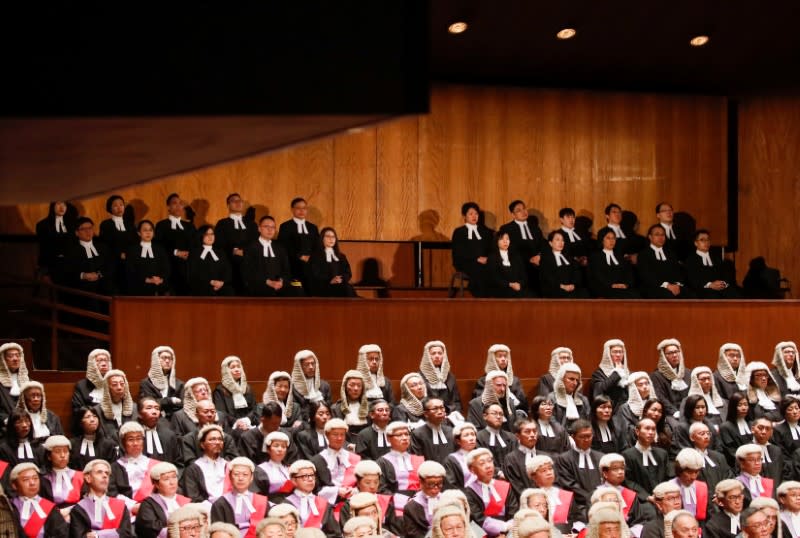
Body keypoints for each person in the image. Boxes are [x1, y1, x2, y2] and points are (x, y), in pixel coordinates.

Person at [70, 459, 133, 537]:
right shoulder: (79, 509)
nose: (105, 476)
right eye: (99, 472)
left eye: (107, 473)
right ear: (88, 478)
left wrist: (97, 535)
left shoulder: (121, 505)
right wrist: (114, 532)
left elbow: (126, 533)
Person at [554, 420, 603, 521]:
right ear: (573, 437)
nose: (586, 440)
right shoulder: (564, 459)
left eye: (589, 436)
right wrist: (592, 498)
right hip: (577, 506)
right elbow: (569, 485)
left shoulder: (601, 457)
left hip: (602, 502)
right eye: (582, 437)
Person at [244, 216, 304, 297]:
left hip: (279, 283)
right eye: (266, 227)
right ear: (259, 229)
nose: (270, 230)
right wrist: (268, 282)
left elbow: (286, 269)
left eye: (273, 227)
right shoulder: (251, 247)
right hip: (260, 283)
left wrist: (281, 281)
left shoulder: (280, 248)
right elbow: (249, 270)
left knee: (298, 286)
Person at [308, 418, 361, 509]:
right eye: (335, 435)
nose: (339, 438)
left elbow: (361, 482)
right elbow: (315, 489)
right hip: (327, 506)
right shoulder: (316, 461)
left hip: (353, 502)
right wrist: (337, 491)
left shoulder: (355, 458)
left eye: (342, 435)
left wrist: (355, 490)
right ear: (327, 435)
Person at [109, 421, 160, 512]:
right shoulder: (114, 468)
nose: (135, 443)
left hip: (154, 510)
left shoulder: (156, 465)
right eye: (131, 439)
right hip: (126, 512)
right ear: (123, 443)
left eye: (139, 438)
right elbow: (112, 493)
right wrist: (132, 506)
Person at [8, 462, 69, 538]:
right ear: (14, 485)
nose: (32, 483)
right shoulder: (9, 507)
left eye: (35, 478)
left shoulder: (49, 507)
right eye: (26, 480)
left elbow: (62, 533)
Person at [210, 457, 268, 535]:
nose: (240, 478)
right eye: (236, 474)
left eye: (245, 474)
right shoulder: (220, 504)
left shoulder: (261, 501)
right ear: (230, 477)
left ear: (251, 478)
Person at [58, 216, 115, 297]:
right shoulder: (71, 251)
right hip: (83, 290)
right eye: (83, 229)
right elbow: (67, 272)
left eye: (90, 228)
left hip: (105, 288)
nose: (87, 231)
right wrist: (83, 275)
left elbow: (111, 266)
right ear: (77, 233)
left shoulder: (103, 247)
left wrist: (99, 274)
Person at [214, 192, 259, 294]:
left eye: (240, 201)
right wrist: (234, 251)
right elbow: (218, 244)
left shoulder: (251, 224)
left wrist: (246, 252)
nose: (238, 203)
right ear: (228, 205)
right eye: (234, 201)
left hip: (249, 264)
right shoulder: (222, 223)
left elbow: (256, 241)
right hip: (230, 264)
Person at [499, 199, 546, 296]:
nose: (523, 211)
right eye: (519, 210)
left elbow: (543, 244)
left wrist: (539, 256)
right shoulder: (507, 228)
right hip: (519, 261)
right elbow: (509, 249)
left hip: (538, 261)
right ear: (513, 214)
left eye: (524, 208)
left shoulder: (535, 227)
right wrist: (529, 259)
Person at [377, 422, 425, 513]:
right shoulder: (382, 462)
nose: (404, 438)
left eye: (406, 434)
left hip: (419, 504)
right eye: (399, 435)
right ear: (388, 439)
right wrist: (405, 501)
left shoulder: (418, 458)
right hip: (394, 507)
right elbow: (381, 489)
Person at [621, 418, 672, 506]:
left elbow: (668, 477)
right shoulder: (627, 455)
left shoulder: (662, 454)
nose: (651, 432)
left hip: (663, 499)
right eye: (647, 428)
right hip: (640, 501)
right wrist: (647, 497)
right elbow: (628, 481)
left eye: (653, 429)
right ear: (637, 431)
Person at [283, 460, 340, 537]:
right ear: (293, 480)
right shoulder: (285, 504)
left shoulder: (324, 504)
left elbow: (334, 534)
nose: (310, 479)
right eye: (304, 476)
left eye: (312, 475)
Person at [135, 462, 192, 538]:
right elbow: (148, 528)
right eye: (166, 479)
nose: (172, 482)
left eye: (174, 477)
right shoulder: (148, 504)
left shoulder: (186, 501)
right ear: (156, 484)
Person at [636, 224, 694, 298]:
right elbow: (646, 276)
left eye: (663, 235)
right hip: (653, 287)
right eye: (657, 234)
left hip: (674, 285)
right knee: (667, 295)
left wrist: (677, 284)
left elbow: (678, 272)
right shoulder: (643, 254)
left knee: (691, 295)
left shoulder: (671, 253)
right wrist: (667, 285)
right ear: (650, 237)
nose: (661, 237)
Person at [154, 193, 196, 295]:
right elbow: (158, 247)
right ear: (168, 207)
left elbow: (196, 245)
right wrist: (176, 252)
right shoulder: (162, 225)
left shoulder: (190, 226)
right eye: (174, 203)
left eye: (180, 204)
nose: (178, 206)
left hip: (187, 269)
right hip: (169, 268)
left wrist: (190, 254)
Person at [451, 201, 494, 297]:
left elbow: (491, 249)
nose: (474, 216)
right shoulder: (459, 232)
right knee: (479, 268)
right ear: (464, 216)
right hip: (465, 261)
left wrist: (488, 258)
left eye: (476, 214)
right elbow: (459, 252)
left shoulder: (486, 232)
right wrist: (476, 258)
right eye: (470, 214)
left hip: (484, 261)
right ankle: (481, 297)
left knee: (493, 267)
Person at [181, 424, 232, 503]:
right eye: (212, 439)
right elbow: (192, 497)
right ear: (202, 445)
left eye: (220, 439)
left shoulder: (230, 466)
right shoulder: (193, 469)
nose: (217, 442)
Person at [278, 197, 321, 291]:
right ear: (292, 209)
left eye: (304, 208)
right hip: (292, 263)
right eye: (298, 208)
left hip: (311, 264)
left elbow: (317, 246)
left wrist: (311, 257)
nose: (302, 211)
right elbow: (284, 247)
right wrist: (300, 256)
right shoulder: (285, 226)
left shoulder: (312, 228)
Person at [685, 229, 742, 298]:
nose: (706, 242)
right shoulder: (691, 260)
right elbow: (692, 279)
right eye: (702, 240)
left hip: (721, 287)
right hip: (702, 289)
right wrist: (710, 285)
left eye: (708, 239)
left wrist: (723, 283)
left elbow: (725, 274)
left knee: (735, 294)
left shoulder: (716, 258)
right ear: (695, 243)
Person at [98, 195, 137, 293]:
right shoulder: (106, 224)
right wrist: (119, 254)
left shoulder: (130, 224)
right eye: (115, 205)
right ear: (110, 208)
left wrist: (129, 254)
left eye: (121, 204)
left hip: (129, 262)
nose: (119, 208)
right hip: (113, 263)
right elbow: (105, 244)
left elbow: (135, 242)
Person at [588, 227, 639, 298]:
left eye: (613, 238)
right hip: (604, 287)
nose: (612, 241)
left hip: (621, 287)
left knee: (635, 294)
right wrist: (612, 285)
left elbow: (628, 273)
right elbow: (598, 275)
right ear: (602, 240)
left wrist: (626, 284)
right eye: (608, 238)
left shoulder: (620, 257)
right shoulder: (595, 257)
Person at [526, 455, 575, 528]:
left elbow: (576, 519)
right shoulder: (529, 496)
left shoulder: (566, 495)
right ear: (534, 476)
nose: (549, 473)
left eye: (550, 469)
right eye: (544, 470)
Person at [539, 230, 590, 298]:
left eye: (562, 240)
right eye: (557, 240)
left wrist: (573, 285)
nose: (561, 243)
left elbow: (576, 273)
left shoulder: (569, 258)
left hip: (571, 287)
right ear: (550, 243)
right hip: (555, 288)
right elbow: (548, 278)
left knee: (584, 293)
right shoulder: (545, 259)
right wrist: (562, 286)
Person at [126, 219, 172, 295]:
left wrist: (160, 278)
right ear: (139, 233)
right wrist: (147, 280)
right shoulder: (132, 250)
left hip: (158, 286)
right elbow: (130, 270)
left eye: (150, 230)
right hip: (138, 288)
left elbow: (166, 268)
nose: (148, 232)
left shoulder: (160, 249)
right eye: (145, 230)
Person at [71, 349, 112, 432]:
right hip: (91, 427)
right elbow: (78, 411)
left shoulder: (115, 383)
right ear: (92, 364)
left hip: (112, 425)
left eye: (106, 360)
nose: (104, 364)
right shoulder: (81, 386)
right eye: (99, 361)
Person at [187, 224, 234, 296]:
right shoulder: (194, 253)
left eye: (212, 234)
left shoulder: (220, 253)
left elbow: (227, 270)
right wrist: (210, 282)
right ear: (201, 236)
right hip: (201, 287)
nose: (210, 237)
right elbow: (193, 274)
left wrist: (222, 282)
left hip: (220, 286)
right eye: (206, 234)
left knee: (229, 291)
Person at [140, 345, 185, 420]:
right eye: (164, 358)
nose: (167, 361)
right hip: (152, 419)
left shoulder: (179, 384)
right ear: (156, 360)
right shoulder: (146, 383)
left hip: (174, 420)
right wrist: (171, 400)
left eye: (170, 359)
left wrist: (161, 402)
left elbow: (182, 404)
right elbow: (148, 404)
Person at [418, 341, 463, 417]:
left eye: (440, 353)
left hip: (449, 416)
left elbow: (457, 401)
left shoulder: (451, 377)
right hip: (428, 416)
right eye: (433, 353)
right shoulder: (418, 377)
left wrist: (453, 415)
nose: (437, 356)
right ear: (427, 356)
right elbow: (418, 403)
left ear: (444, 356)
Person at [36, 200, 78, 280]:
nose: (62, 207)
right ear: (53, 206)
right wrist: (44, 268)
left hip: (70, 264)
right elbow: (43, 248)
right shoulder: (42, 225)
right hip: (51, 264)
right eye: (59, 204)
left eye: (64, 205)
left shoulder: (72, 224)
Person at [403, 461, 447, 538]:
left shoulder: (448, 501)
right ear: (421, 482)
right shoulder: (411, 507)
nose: (436, 487)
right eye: (431, 484)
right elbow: (413, 534)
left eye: (439, 483)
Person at [688, 421, 733, 496]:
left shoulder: (719, 456)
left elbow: (728, 476)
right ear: (692, 437)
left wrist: (722, 494)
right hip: (701, 498)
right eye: (702, 434)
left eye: (708, 433)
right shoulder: (688, 458)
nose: (706, 436)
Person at [309, 227, 356, 297]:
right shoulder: (315, 256)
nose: (331, 239)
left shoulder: (341, 256)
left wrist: (340, 279)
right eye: (328, 236)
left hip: (340, 284)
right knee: (346, 289)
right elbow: (315, 274)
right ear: (322, 239)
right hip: (323, 286)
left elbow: (348, 272)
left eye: (333, 237)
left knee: (347, 287)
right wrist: (330, 280)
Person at [39, 435, 83, 508]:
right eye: (57, 451)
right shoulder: (44, 480)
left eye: (65, 451)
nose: (62, 455)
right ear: (49, 456)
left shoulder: (80, 476)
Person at [213, 355, 256, 429]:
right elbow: (221, 413)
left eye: (238, 366)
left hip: (249, 423)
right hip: (230, 426)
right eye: (233, 367)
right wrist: (238, 423)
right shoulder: (219, 390)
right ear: (226, 371)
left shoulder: (247, 388)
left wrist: (247, 420)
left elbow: (254, 408)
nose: (237, 369)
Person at [650, 339, 691, 418]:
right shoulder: (656, 376)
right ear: (663, 356)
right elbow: (660, 398)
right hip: (669, 414)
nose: (675, 355)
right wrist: (674, 412)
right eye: (670, 353)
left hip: (688, 413)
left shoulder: (688, 373)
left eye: (676, 351)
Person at [69, 406, 117, 471]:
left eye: (95, 416)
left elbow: (112, 469)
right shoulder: (72, 444)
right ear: (80, 422)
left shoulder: (109, 444)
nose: (92, 420)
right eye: (88, 417)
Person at [503, 418, 539, 503]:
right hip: (523, 503)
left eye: (535, 431)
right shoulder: (510, 459)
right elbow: (516, 487)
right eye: (527, 432)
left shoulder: (546, 455)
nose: (532, 434)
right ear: (517, 436)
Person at [290, 350, 333, 421]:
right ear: (300, 367)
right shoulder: (293, 388)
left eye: (313, 363)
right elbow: (295, 412)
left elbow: (329, 407)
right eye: (307, 364)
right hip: (303, 423)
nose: (311, 367)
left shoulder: (325, 385)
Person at [671, 448, 710, 525]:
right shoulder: (670, 488)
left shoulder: (702, 487)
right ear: (680, 470)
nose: (693, 477)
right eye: (689, 472)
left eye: (696, 472)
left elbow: (709, 514)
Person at [485, 230, 529, 297]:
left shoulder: (516, 256)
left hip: (517, 288)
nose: (505, 241)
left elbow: (523, 275)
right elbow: (493, 278)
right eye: (502, 239)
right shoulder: (492, 258)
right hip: (500, 289)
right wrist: (510, 284)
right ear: (496, 241)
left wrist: (519, 284)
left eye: (507, 239)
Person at [96, 369, 136, 441]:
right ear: (107, 387)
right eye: (114, 384)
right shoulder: (98, 410)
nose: (119, 387)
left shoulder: (134, 407)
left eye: (122, 384)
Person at [590, 339, 630, 411]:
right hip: (609, 412)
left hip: (625, 412)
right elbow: (599, 392)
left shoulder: (627, 373)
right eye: (615, 352)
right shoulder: (599, 374)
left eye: (620, 352)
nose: (618, 355)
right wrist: (616, 374)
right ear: (608, 354)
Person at [411, 397, 455, 463]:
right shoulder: (417, 434)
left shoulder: (451, 431)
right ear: (426, 414)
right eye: (435, 409)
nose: (440, 412)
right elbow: (417, 460)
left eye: (442, 407)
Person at [253, 431, 294, 501]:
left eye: (283, 446)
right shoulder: (260, 470)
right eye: (276, 446)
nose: (280, 449)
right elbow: (257, 495)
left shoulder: (290, 468)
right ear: (268, 449)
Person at [549, 363, 590, 428]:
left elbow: (587, 422)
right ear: (561, 379)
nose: (575, 383)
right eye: (571, 379)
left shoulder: (583, 400)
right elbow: (552, 422)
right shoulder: (552, 398)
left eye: (577, 380)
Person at [331, 370, 370, 437]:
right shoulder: (335, 408)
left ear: (363, 388)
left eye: (359, 385)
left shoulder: (370, 407)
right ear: (345, 387)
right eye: (352, 385)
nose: (356, 388)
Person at [0, 342, 29, 429]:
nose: (15, 359)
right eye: (10, 356)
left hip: (26, 426)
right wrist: (6, 420)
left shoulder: (28, 381)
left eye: (17, 355)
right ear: (3, 359)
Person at [444, 422, 479, 490]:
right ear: (458, 441)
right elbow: (451, 485)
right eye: (466, 435)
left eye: (473, 434)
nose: (471, 438)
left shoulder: (482, 455)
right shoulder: (451, 460)